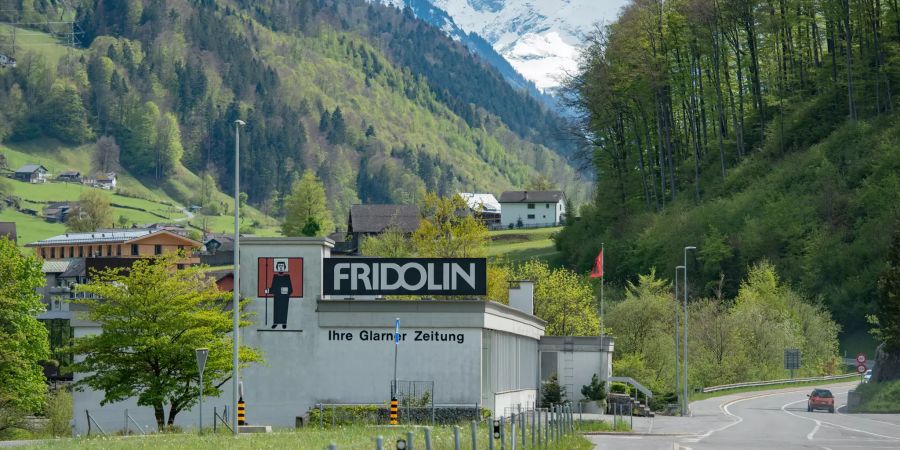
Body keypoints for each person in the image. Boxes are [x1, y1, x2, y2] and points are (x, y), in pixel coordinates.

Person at [268, 260, 293, 329]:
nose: (281, 268)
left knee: (284, 310)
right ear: (277, 268)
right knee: (277, 310)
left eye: (282, 266)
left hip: (285, 298)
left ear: (284, 267)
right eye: (279, 266)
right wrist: (268, 291)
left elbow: (290, 288)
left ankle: (284, 323)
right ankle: (275, 323)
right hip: (277, 297)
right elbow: (273, 287)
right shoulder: (275, 277)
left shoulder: (287, 277)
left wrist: (286, 292)